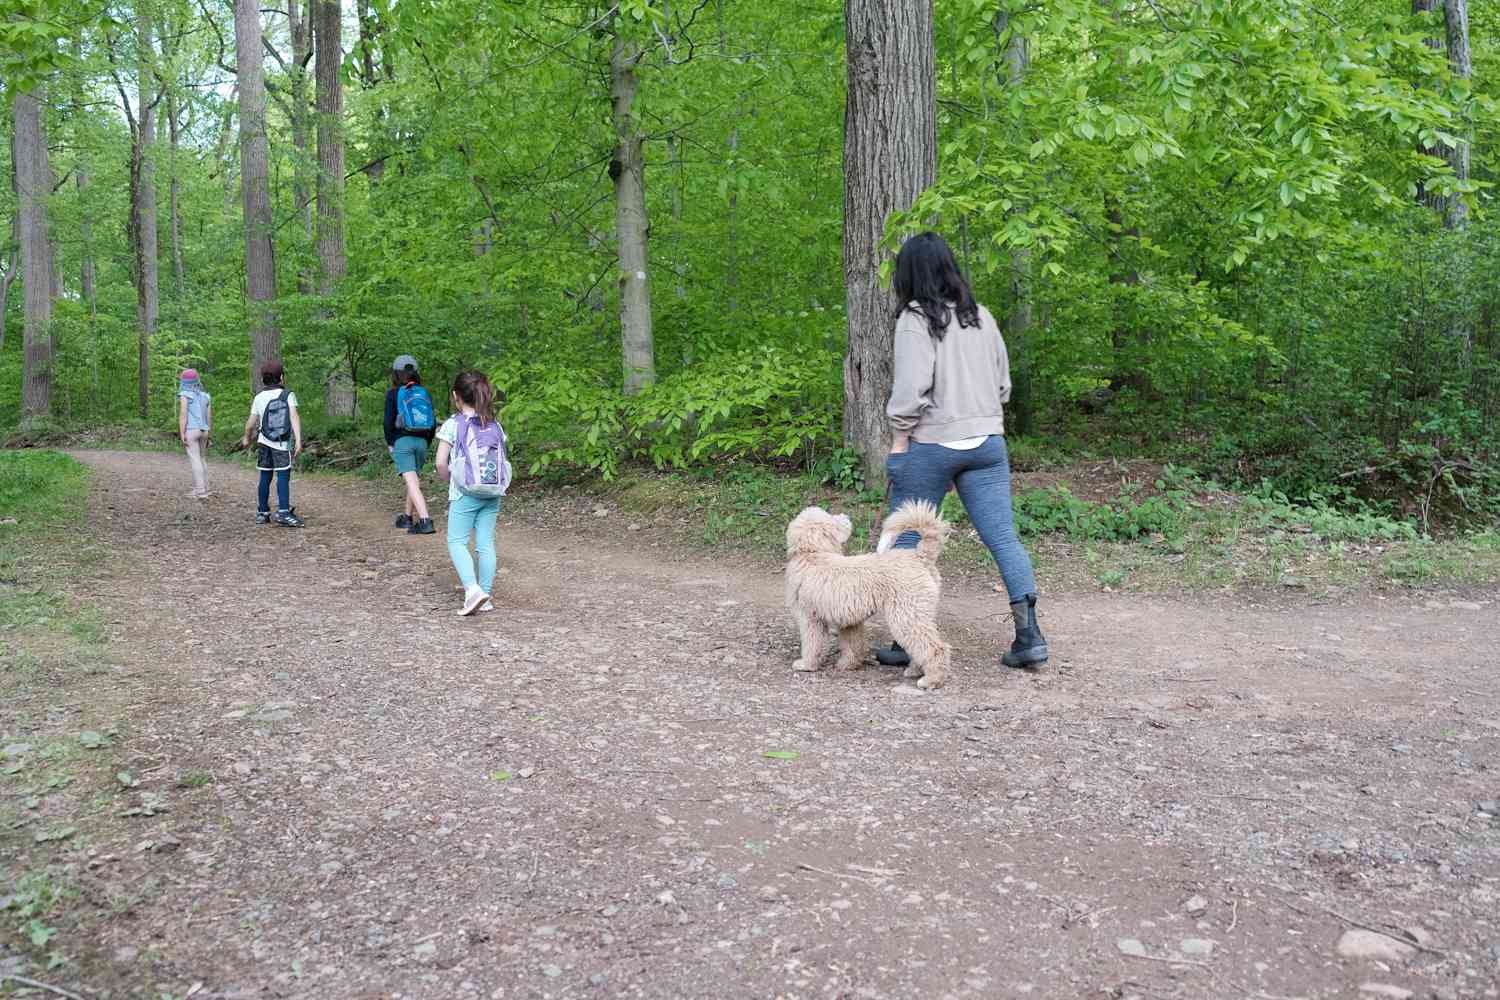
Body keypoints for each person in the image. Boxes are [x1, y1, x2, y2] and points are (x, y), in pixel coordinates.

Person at [877, 231, 1047, 669]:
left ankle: (904, 640)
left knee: (907, 536)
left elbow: (912, 389)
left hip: (931, 443)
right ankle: (1029, 637)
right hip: (988, 444)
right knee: (1003, 537)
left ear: (910, 274)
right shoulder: (981, 316)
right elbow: (1004, 384)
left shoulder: (915, 318)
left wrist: (899, 440)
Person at [434, 370, 510, 616]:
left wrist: (449, 480)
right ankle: (485, 595)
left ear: (456, 396)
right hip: (492, 491)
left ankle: (472, 590)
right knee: (485, 542)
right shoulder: (495, 424)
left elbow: (440, 463)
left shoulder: (453, 424)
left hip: (464, 493)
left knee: (457, 541)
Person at [240, 360, 305, 527]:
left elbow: (250, 423)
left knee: (265, 477)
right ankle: (283, 512)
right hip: (281, 443)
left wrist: (247, 438)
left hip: (264, 442)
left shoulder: (259, 397)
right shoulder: (288, 395)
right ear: (282, 377)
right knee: (282, 476)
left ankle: (262, 513)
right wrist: (298, 440)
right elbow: (294, 417)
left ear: (263, 379)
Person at [384, 354, 437, 534]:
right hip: (422, 441)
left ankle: (425, 521)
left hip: (403, 441)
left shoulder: (393, 394)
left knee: (412, 483)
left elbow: (387, 422)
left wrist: (391, 442)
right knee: (413, 480)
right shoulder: (424, 393)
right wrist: (427, 442)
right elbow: (432, 421)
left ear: (395, 373)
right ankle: (406, 517)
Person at [177, 368, 213, 499]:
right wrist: (210, 434)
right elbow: (209, 417)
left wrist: (181, 432)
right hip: (204, 430)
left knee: (195, 459)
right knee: (202, 458)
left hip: (192, 430)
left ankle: (200, 491)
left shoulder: (185, 395)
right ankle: (206, 488)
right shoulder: (206, 396)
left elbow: (183, 415)